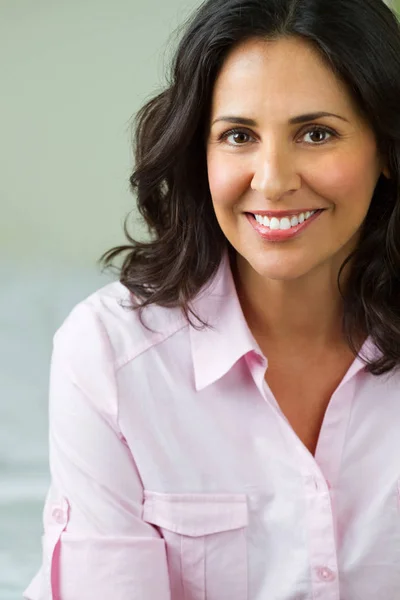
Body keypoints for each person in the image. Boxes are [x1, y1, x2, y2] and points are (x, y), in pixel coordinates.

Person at [23, 0, 400, 598]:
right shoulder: (107, 357)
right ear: (199, 155)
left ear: (385, 148)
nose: (272, 180)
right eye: (238, 136)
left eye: (317, 133)